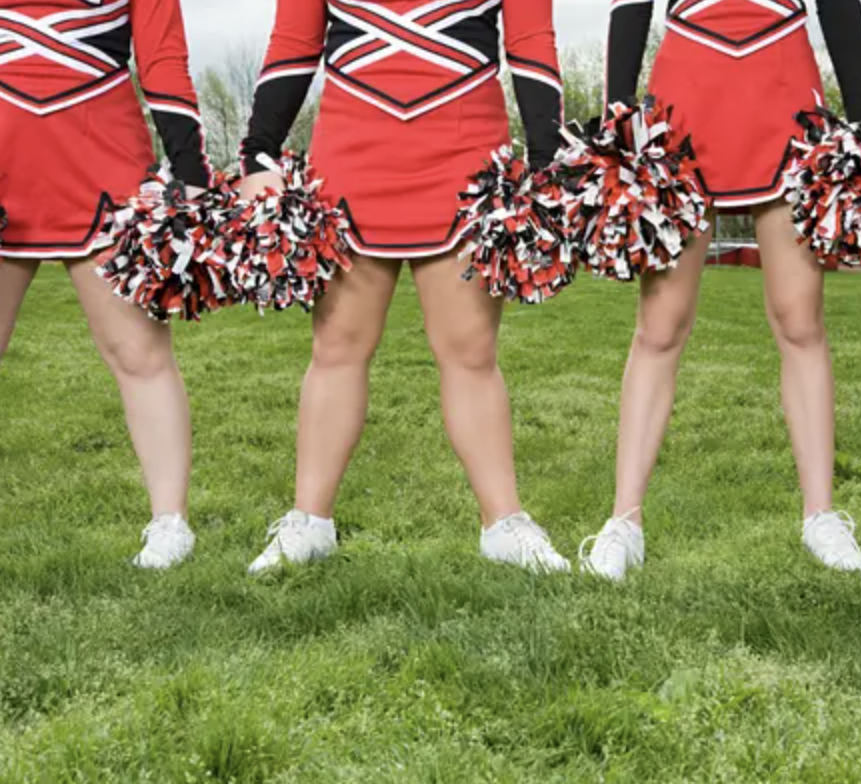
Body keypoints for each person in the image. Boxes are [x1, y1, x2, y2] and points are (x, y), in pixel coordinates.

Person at [238, 0, 570, 574]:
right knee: (338, 345)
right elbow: (294, 40)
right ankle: (309, 521)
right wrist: (257, 150)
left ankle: (504, 523)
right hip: (350, 156)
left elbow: (532, 41)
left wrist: (546, 159)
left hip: (465, 155)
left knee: (470, 349)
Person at [578, 0, 861, 581]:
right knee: (660, 326)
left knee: (800, 319)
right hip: (684, 98)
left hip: (784, 89)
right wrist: (619, 116)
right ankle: (624, 521)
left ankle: (821, 515)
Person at [0, 0, 211, 569]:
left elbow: (163, 59)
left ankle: (171, 524)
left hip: (105, 164)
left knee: (140, 353)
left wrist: (190, 171)